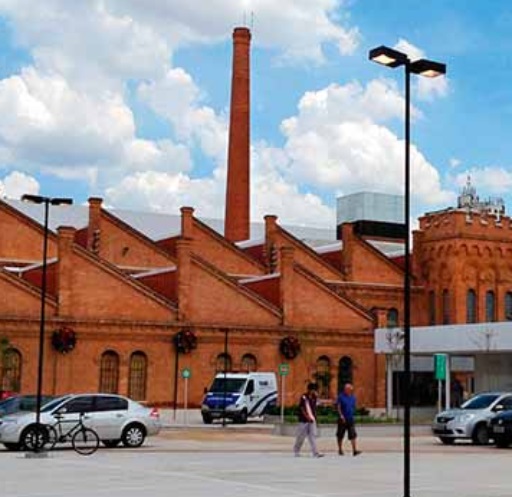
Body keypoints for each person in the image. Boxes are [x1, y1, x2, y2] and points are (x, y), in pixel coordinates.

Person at [293, 382, 324, 458]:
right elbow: (302, 408)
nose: (314, 391)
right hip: (303, 420)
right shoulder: (304, 397)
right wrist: (307, 417)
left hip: (312, 420)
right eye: (313, 390)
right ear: (309, 390)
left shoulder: (314, 397)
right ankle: (296, 450)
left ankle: (315, 452)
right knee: (301, 436)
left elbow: (316, 406)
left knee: (313, 436)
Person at [336, 383, 361, 456]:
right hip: (342, 419)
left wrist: (353, 413)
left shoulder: (353, 397)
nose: (351, 391)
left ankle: (354, 450)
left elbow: (353, 406)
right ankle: (340, 449)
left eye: (351, 390)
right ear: (346, 389)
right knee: (340, 435)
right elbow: (338, 407)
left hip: (350, 419)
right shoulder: (341, 397)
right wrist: (341, 415)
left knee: (353, 434)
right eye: (349, 389)